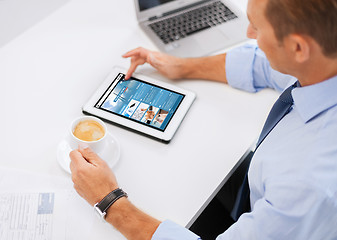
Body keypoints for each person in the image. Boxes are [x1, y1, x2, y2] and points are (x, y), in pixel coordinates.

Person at [69, 0, 337, 239]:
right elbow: (263, 64)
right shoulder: (323, 62)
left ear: (298, 47)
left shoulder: (309, 186)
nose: (248, 34)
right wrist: (182, 66)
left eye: (257, 27)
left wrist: (109, 202)